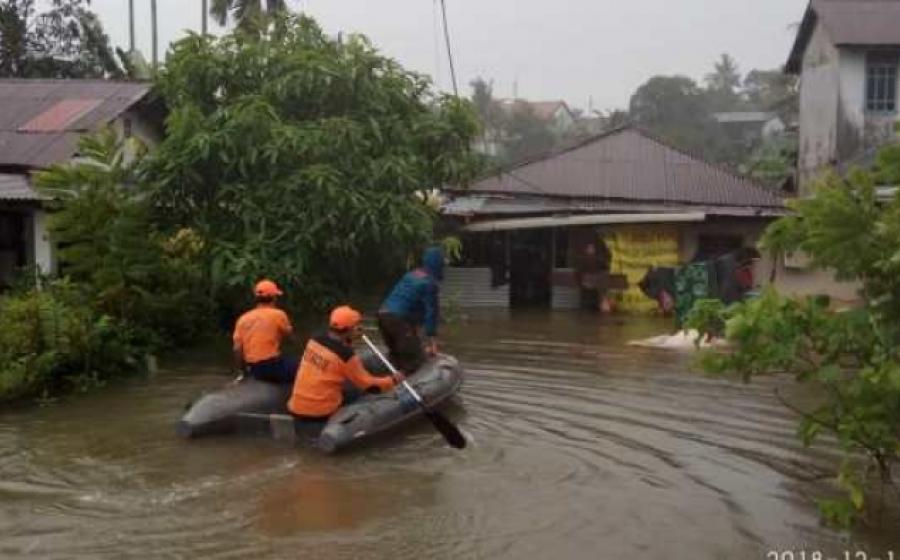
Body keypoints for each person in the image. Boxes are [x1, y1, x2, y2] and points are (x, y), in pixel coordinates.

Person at [287, 305, 400, 422]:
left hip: (295, 408)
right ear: (350, 329)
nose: (359, 327)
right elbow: (370, 386)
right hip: (322, 412)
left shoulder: (315, 339)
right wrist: (392, 380)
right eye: (357, 325)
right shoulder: (345, 355)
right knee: (358, 392)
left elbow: (337, 347)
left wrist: (350, 339)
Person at [377, 246, 443, 373]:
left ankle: (387, 384)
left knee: (397, 357)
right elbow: (431, 313)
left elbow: (409, 306)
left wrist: (415, 336)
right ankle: (402, 390)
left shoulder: (411, 275)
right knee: (414, 362)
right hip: (397, 320)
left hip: (382, 316)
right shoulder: (430, 284)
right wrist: (432, 342)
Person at [232, 279, 297, 384]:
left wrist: (242, 371)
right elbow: (291, 339)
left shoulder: (243, 319)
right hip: (271, 366)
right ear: (274, 298)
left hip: (252, 367)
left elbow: (237, 349)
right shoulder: (278, 315)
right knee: (303, 368)